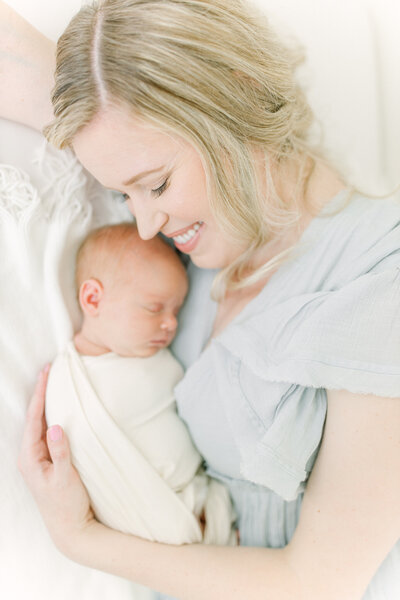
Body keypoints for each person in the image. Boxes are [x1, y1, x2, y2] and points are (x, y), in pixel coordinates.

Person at [8, 0, 399, 598]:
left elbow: (321, 582)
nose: (142, 224)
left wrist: (79, 538)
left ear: (235, 100)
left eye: (156, 185)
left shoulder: (377, 279)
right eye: (124, 194)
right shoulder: (179, 238)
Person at [45, 222, 236, 550]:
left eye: (176, 310)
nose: (171, 323)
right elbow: (88, 457)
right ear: (93, 299)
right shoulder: (73, 384)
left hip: (198, 498)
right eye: (154, 308)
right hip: (151, 517)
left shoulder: (160, 360)